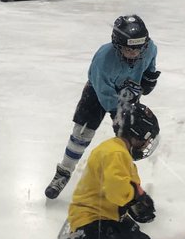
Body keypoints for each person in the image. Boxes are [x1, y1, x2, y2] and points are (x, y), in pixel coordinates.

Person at [20, 104, 160, 239]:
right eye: (147, 139)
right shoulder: (115, 153)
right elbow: (117, 190)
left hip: (106, 217)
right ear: (137, 133)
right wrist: (137, 197)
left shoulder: (122, 154)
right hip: (88, 218)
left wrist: (139, 207)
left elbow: (126, 187)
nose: (147, 144)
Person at [44, 15, 160, 199]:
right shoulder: (103, 59)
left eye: (139, 48)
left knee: (128, 142)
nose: (135, 53)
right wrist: (122, 111)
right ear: (117, 44)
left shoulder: (150, 48)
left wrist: (149, 77)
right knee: (81, 133)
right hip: (97, 93)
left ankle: (126, 181)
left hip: (128, 93)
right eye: (129, 49)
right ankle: (63, 172)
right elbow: (105, 96)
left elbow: (149, 66)